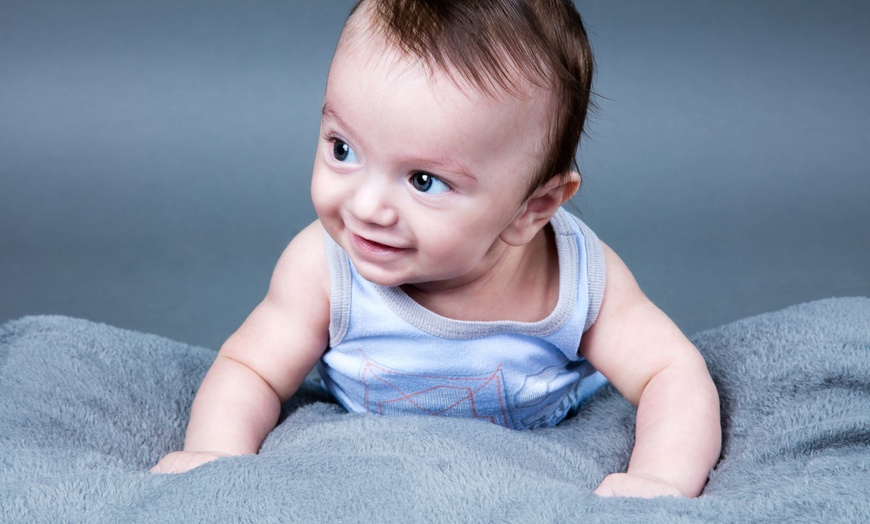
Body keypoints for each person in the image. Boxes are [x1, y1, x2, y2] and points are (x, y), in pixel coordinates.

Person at [152, 0, 721, 498]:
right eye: (343, 148)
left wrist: (660, 479)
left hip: (535, 460)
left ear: (533, 209)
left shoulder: (575, 279)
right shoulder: (323, 269)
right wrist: (217, 458)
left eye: (424, 181)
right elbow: (250, 369)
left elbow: (670, 371)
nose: (367, 206)